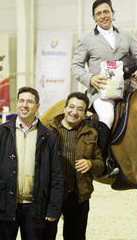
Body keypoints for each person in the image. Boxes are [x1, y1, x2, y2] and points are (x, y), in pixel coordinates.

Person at [70, 0, 137, 176]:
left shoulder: (126, 35)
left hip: (127, 88)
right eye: (99, 14)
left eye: (106, 12)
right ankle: (103, 160)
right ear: (94, 18)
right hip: (101, 92)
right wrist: (90, 78)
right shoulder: (86, 39)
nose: (103, 16)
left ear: (112, 14)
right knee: (107, 115)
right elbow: (75, 67)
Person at [0, 87, 63, 240]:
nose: (24, 105)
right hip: (5, 205)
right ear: (17, 104)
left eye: (30, 101)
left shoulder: (48, 137)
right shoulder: (0, 132)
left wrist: (53, 208)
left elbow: (56, 175)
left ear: (37, 106)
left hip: (36, 207)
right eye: (21, 101)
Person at [45, 92, 105, 240]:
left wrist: (91, 164)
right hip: (50, 195)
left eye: (80, 109)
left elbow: (101, 164)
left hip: (78, 196)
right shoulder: (47, 130)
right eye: (71, 107)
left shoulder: (91, 134)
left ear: (84, 114)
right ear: (64, 108)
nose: (74, 112)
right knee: (45, 236)